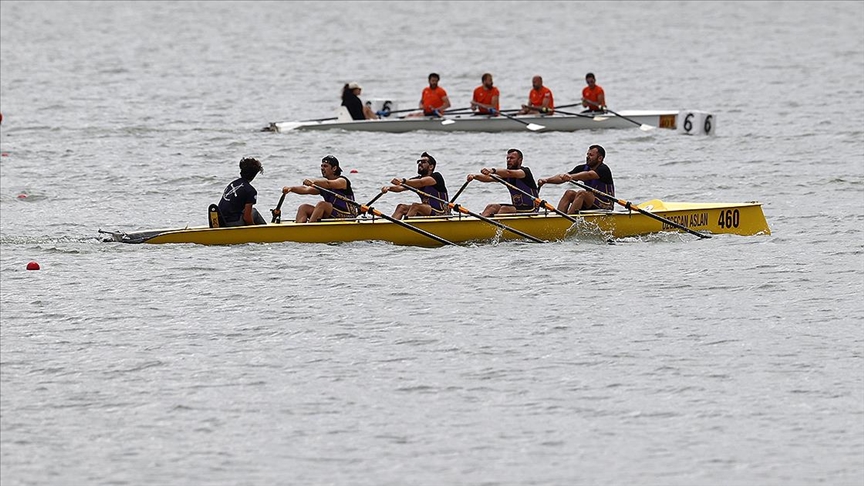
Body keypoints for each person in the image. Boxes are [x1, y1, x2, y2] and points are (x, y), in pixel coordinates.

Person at [537, 144, 615, 214]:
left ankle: (569, 218)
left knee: (582, 193)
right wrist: (547, 180)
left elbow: (589, 175)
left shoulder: (604, 169)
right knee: (569, 193)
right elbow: (563, 177)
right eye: (587, 154)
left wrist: (572, 177)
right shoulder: (582, 168)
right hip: (590, 202)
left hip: (606, 204)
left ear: (600, 158)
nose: (587, 157)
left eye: (591, 155)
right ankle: (559, 217)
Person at [282, 155, 358, 223]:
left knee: (322, 205)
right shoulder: (322, 185)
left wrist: (313, 181)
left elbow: (328, 184)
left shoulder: (342, 181)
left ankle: (310, 230)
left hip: (348, 216)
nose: (322, 168)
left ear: (334, 168)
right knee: (303, 207)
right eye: (321, 166)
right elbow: (306, 189)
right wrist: (291, 188)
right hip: (332, 214)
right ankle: (298, 230)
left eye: (325, 166)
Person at [466, 148, 539, 217]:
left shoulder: (525, 172)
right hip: (518, 208)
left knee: (505, 208)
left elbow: (509, 173)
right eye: (507, 158)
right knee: (491, 207)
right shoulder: (506, 176)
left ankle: (496, 229)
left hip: (531, 209)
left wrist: (493, 170)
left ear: (520, 160)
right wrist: (474, 176)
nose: (508, 160)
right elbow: (488, 178)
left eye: (512, 158)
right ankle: (480, 226)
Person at [381, 152, 450, 219]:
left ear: (431, 167)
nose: (420, 163)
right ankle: (391, 226)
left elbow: (421, 183)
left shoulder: (436, 177)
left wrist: (404, 181)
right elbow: (400, 188)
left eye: (423, 162)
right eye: (418, 162)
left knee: (415, 206)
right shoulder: (415, 180)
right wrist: (388, 188)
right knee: (401, 207)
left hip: (442, 212)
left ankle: (403, 227)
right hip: (427, 210)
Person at [217, 157, 267, 226]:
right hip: (232, 223)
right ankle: (265, 232)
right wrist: (254, 229)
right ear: (254, 175)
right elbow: (247, 218)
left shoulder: (233, 184)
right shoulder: (250, 191)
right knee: (254, 212)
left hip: (220, 221)